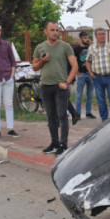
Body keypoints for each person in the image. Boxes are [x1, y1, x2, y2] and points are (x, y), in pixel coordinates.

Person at [32, 21, 78, 155]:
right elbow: (34, 67)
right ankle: (54, 142)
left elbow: (74, 66)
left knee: (62, 115)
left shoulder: (65, 46)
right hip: (46, 86)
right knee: (51, 116)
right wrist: (42, 61)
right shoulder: (40, 47)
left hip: (60, 86)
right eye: (52, 30)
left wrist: (67, 82)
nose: (55, 33)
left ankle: (63, 144)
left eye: (57, 30)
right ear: (45, 31)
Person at [86, 27, 110, 121]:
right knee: (101, 100)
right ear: (96, 36)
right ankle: (104, 120)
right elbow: (87, 61)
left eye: (104, 34)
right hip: (97, 78)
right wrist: (90, 73)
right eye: (100, 34)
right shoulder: (91, 48)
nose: (102, 36)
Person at [73, 31, 95, 119]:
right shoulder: (76, 49)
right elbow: (74, 62)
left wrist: (92, 46)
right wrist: (77, 74)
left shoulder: (91, 48)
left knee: (90, 95)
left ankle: (88, 112)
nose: (87, 39)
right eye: (85, 38)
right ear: (81, 38)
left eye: (88, 38)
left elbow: (96, 57)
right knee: (79, 95)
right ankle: (77, 113)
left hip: (90, 74)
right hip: (81, 74)